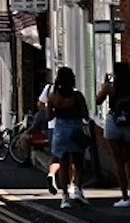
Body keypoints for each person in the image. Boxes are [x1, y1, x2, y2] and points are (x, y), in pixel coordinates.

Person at [45, 66, 90, 209]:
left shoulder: (53, 97)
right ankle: (77, 189)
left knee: (63, 164)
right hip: (75, 129)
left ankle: (64, 197)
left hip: (60, 130)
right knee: (78, 163)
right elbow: (85, 115)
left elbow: (49, 116)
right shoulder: (77, 96)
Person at [96, 61, 130, 208]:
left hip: (114, 121)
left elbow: (98, 100)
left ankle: (124, 195)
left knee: (118, 161)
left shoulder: (111, 86)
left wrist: (104, 86)